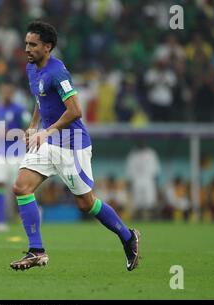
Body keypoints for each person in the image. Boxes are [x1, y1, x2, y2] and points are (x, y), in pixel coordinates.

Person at [10, 21, 141, 271]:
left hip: (72, 145)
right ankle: (36, 251)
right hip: (48, 141)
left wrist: (46, 131)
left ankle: (128, 237)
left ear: (47, 47)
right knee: (21, 187)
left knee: (86, 204)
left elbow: (76, 111)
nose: (27, 48)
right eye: (26, 43)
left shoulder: (58, 72)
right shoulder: (31, 69)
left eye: (33, 45)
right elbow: (41, 98)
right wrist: (33, 125)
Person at [0, 82, 29, 232]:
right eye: (3, 91)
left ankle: (26, 217)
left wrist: (14, 134)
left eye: (8, 92)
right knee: (0, 184)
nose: (5, 94)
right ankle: (1, 222)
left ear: (12, 93)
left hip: (16, 154)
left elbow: (29, 129)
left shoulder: (20, 110)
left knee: (20, 188)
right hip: (0, 152)